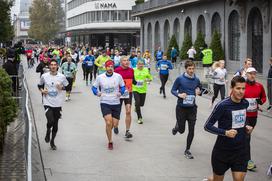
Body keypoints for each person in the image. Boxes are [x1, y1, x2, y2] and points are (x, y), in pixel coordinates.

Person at [204, 76, 252, 181]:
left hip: (240, 151)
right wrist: (225, 132)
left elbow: (243, 119)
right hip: (222, 151)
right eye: (238, 88)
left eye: (243, 88)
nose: (241, 91)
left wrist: (247, 125)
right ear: (231, 88)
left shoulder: (245, 103)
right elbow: (207, 126)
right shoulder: (222, 105)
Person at [171, 60, 202, 159]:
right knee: (181, 130)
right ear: (186, 69)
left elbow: (200, 90)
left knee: (191, 129)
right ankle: (177, 127)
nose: (191, 71)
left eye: (193, 68)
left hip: (192, 108)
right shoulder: (180, 79)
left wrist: (199, 91)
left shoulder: (196, 80)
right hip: (181, 108)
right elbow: (173, 90)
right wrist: (179, 94)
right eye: (189, 69)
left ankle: (187, 150)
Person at [92, 60, 126, 150]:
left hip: (116, 103)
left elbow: (123, 86)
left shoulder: (118, 76)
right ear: (105, 67)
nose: (110, 68)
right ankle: (110, 141)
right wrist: (97, 93)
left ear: (113, 67)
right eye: (108, 66)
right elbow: (94, 87)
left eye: (111, 66)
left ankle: (111, 129)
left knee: (114, 124)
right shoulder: (100, 77)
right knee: (108, 122)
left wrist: (121, 92)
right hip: (105, 102)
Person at [38, 59, 69, 150]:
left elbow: (68, 86)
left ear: (57, 66)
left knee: (55, 124)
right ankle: (48, 131)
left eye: (55, 65)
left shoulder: (62, 77)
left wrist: (62, 87)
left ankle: (52, 141)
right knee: (50, 120)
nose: (53, 66)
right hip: (47, 102)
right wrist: (42, 91)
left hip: (58, 103)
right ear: (49, 66)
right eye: (51, 65)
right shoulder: (44, 76)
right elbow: (39, 85)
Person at [243, 67, 266, 171]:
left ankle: (238, 156)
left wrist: (261, 101)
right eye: (250, 73)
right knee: (247, 138)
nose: (252, 75)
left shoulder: (259, 86)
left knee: (245, 138)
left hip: (254, 116)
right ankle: (248, 162)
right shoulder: (242, 86)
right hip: (244, 116)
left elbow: (264, 97)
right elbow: (233, 96)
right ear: (246, 74)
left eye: (254, 74)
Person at [114, 56, 134, 138]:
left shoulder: (131, 70)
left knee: (128, 111)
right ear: (121, 62)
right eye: (124, 60)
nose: (126, 62)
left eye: (127, 60)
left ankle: (127, 131)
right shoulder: (117, 70)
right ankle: (115, 125)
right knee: (117, 112)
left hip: (128, 93)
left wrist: (140, 82)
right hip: (118, 93)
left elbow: (134, 80)